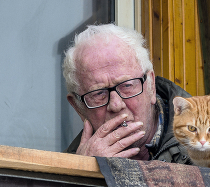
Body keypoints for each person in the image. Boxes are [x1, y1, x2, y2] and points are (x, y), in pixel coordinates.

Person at [62, 23, 192, 164]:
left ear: (151, 86)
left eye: (127, 85)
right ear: (78, 107)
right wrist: (85, 174)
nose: (116, 105)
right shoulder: (66, 172)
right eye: (99, 94)